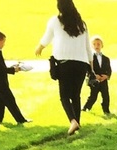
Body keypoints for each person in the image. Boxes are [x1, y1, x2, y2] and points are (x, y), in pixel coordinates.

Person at [35, 0, 93, 135]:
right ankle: (77, 122)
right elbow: (87, 48)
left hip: (64, 63)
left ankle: (73, 121)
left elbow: (47, 38)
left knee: (64, 96)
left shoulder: (55, 21)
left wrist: (39, 47)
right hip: (81, 64)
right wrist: (91, 67)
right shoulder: (82, 24)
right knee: (76, 95)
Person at [0, 30, 30, 125]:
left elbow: (1, 68)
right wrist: (14, 69)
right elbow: (0, 69)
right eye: (3, 42)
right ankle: (21, 120)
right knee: (10, 100)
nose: (4, 44)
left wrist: (12, 68)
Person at [82, 35, 112, 115]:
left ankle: (106, 110)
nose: (96, 46)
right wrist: (94, 76)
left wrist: (106, 76)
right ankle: (86, 108)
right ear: (91, 46)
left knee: (106, 96)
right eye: (94, 44)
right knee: (93, 96)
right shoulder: (90, 58)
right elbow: (88, 69)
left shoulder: (106, 59)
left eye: (98, 44)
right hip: (94, 81)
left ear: (102, 45)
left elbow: (109, 69)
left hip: (103, 81)